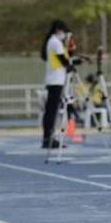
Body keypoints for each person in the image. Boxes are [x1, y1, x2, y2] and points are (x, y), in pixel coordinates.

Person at [40, 19, 73, 149]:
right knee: (52, 111)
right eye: (64, 32)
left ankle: (48, 137)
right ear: (59, 31)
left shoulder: (52, 42)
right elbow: (63, 60)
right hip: (56, 80)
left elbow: (64, 58)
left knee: (51, 110)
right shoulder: (55, 42)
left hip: (54, 79)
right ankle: (48, 137)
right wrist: (70, 66)